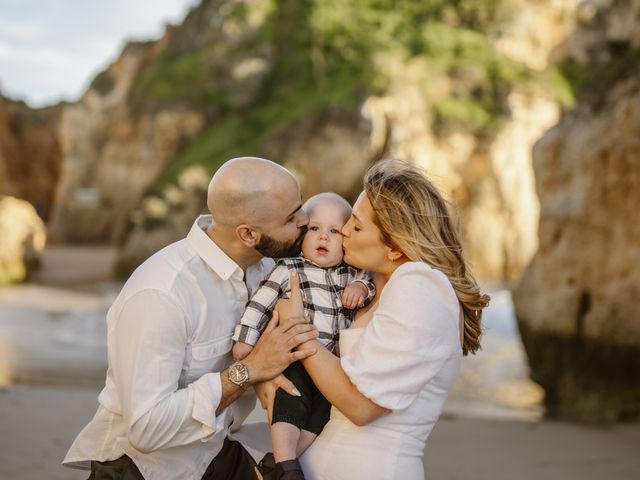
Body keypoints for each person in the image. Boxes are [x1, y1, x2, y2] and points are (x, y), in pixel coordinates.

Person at [63, 157, 321, 480]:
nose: (306, 219)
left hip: (218, 452)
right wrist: (250, 370)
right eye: (291, 217)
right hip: (144, 469)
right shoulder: (162, 293)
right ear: (248, 235)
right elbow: (146, 427)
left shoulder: (268, 270)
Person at [272, 159, 490, 480]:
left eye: (356, 226)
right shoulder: (372, 281)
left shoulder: (421, 287)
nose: (343, 231)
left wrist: (299, 332)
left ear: (395, 247)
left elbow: (362, 408)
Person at [232, 192, 375, 480]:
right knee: (290, 401)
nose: (323, 237)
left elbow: (370, 285)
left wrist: (361, 288)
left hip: (331, 367)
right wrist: (245, 342)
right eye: (314, 229)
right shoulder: (289, 269)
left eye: (334, 231)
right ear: (301, 236)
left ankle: (278, 463)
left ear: (346, 239)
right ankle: (288, 465)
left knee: (322, 414)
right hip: (295, 357)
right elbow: (260, 304)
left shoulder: (352, 274)